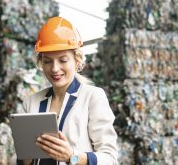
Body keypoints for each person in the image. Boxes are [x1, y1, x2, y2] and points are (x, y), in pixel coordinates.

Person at [21, 17, 118, 165]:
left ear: (77, 60)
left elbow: (110, 159)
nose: (54, 68)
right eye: (47, 61)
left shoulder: (92, 97)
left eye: (63, 60)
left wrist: (71, 156)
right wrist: (27, 152)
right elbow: (24, 161)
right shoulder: (31, 103)